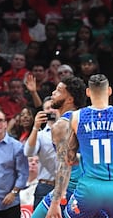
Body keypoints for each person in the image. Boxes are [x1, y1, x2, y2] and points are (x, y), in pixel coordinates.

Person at [48, 74, 113, 218]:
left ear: (88, 92)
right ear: (109, 91)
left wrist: (55, 203)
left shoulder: (76, 118)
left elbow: (66, 163)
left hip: (89, 189)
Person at [30, 76, 88, 218]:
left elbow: (65, 166)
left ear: (69, 99)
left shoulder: (62, 124)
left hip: (71, 189)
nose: (53, 94)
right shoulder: (86, 117)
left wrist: (56, 202)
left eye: (59, 91)